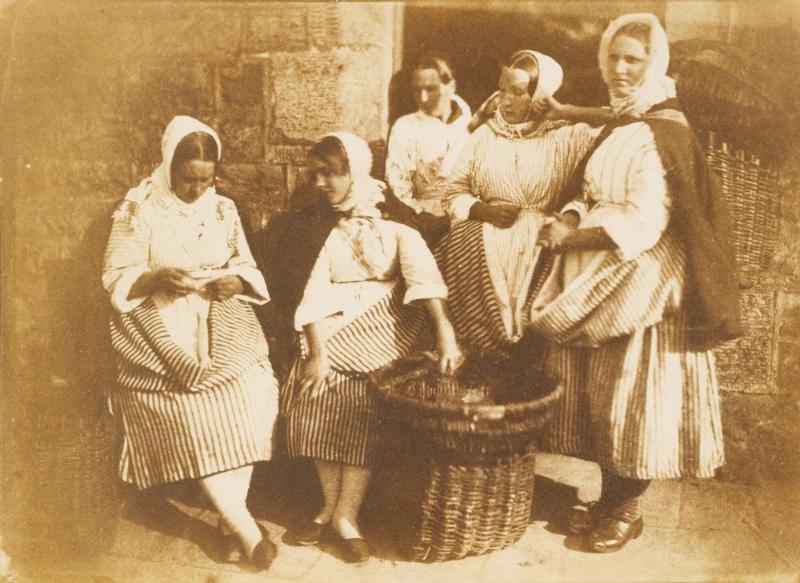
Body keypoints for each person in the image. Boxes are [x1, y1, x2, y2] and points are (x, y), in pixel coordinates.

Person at [532, 13, 742, 553]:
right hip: (602, 267)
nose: (621, 69)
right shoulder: (625, 122)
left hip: (643, 278)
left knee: (634, 396)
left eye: (634, 60)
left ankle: (626, 509)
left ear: (654, 64)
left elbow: (645, 220)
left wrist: (572, 239)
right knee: (604, 395)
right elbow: (590, 189)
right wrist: (571, 215)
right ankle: (609, 499)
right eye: (614, 57)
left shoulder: (662, 130)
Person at [275, 132, 463, 563]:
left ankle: (347, 514)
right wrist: (317, 354)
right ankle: (328, 505)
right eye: (315, 174)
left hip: (387, 319)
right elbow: (313, 292)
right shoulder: (316, 225)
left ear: (355, 172)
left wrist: (446, 334)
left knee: (364, 396)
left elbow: (425, 280)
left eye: (330, 174)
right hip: (331, 321)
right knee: (314, 387)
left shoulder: (394, 219)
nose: (320, 183)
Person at [102, 116, 280, 570]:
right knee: (196, 414)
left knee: (252, 394)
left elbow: (246, 264)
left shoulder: (223, 209)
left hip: (221, 318)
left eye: (206, 179)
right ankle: (246, 530)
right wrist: (156, 278)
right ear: (168, 166)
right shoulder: (139, 209)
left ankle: (230, 523)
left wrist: (235, 281)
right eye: (187, 179)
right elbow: (115, 275)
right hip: (156, 324)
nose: (197, 189)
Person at [437, 49, 603, 352]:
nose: (506, 101)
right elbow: (452, 192)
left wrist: (566, 111)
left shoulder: (568, 137)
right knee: (459, 247)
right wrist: (482, 210)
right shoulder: (484, 137)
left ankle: (528, 352)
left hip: (540, 237)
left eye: (517, 92)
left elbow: (625, 119)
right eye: (502, 91)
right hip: (486, 231)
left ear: (540, 96)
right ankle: (482, 350)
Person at [385, 52, 472, 217]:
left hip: (468, 211)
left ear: (451, 87)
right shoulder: (405, 127)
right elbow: (398, 187)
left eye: (431, 89)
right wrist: (421, 216)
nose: (423, 98)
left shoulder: (470, 123)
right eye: (417, 90)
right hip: (423, 215)